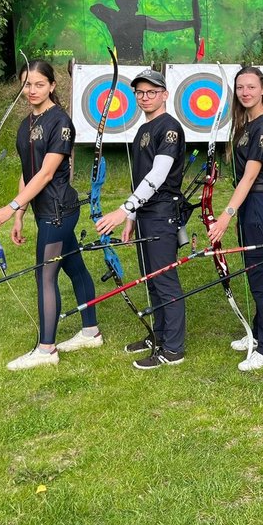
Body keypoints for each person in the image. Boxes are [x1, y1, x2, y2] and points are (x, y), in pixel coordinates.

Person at [0, 60, 99, 371]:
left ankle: (46, 349)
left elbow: (46, 174)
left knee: (45, 275)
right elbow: (27, 171)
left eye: (38, 84)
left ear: (52, 86)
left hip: (57, 211)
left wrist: (11, 208)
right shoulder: (25, 125)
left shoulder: (60, 122)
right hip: (45, 210)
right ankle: (91, 331)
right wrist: (20, 216)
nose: (31, 90)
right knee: (74, 267)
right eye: (27, 85)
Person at [93, 68, 189, 370]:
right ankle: (158, 336)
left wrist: (122, 209)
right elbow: (141, 179)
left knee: (165, 279)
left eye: (151, 92)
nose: (145, 97)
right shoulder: (143, 129)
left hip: (162, 212)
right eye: (140, 93)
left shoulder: (169, 128)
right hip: (146, 213)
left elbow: (158, 176)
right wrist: (132, 217)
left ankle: (174, 349)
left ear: (164, 94)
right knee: (152, 279)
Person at [206, 67, 263, 372]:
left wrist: (226, 215)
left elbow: (250, 175)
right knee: (256, 272)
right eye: (240, 87)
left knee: (261, 274)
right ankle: (261, 331)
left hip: (260, 204)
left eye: (251, 86)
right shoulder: (248, 123)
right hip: (252, 203)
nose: (245, 92)